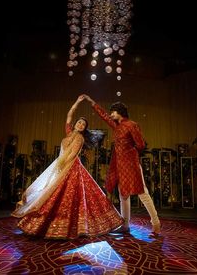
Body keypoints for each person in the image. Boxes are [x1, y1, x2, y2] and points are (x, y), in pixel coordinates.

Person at [12, 95, 124, 239]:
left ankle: (70, 226)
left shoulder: (80, 138)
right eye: (79, 122)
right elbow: (69, 116)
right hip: (61, 165)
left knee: (66, 195)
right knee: (52, 193)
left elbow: (72, 155)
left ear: (84, 129)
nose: (80, 125)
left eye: (83, 125)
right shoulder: (70, 133)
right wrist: (77, 102)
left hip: (71, 167)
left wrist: (62, 167)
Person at [83, 94, 161, 235]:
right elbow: (104, 116)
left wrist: (129, 154)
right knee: (123, 194)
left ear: (120, 112)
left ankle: (155, 223)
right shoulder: (117, 126)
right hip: (119, 165)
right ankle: (125, 225)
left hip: (131, 164)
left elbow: (141, 144)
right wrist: (91, 102)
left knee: (142, 192)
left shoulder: (131, 125)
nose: (111, 114)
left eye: (113, 111)